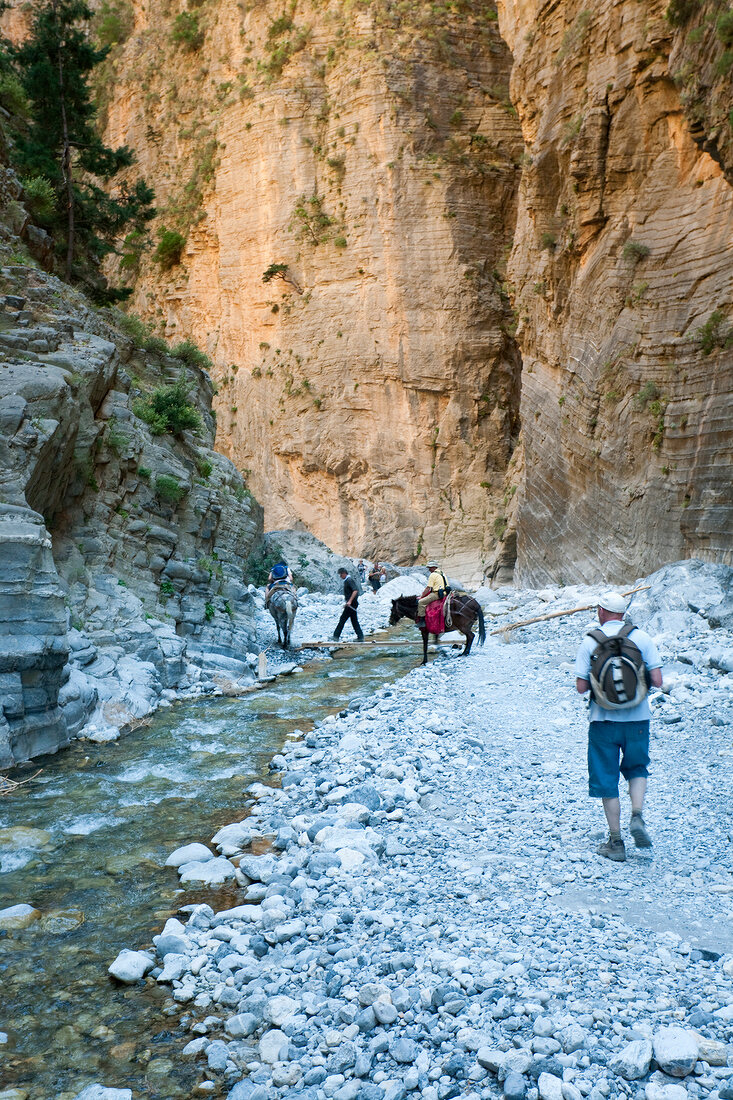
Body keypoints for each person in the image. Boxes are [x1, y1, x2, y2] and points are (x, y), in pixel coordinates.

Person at [575, 591, 663, 862]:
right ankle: (637, 814)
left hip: (603, 721)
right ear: (623, 613)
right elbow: (658, 681)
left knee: (607, 778)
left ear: (601, 611)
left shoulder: (591, 640)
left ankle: (616, 841)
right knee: (637, 768)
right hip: (638, 719)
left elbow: (580, 688)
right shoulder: (642, 637)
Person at [332, 567, 364, 642]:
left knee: (342, 619)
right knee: (354, 620)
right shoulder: (347, 580)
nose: (340, 576)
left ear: (344, 573)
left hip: (351, 604)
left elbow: (355, 591)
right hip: (352, 604)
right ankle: (360, 637)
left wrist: (349, 601)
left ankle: (336, 636)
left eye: (340, 575)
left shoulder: (349, 580)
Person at [416, 561, 449, 626]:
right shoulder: (442, 573)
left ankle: (422, 621)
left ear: (434, 567)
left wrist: (422, 596)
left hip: (436, 594)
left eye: (430, 568)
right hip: (445, 592)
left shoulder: (433, 575)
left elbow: (428, 588)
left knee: (421, 602)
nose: (429, 569)